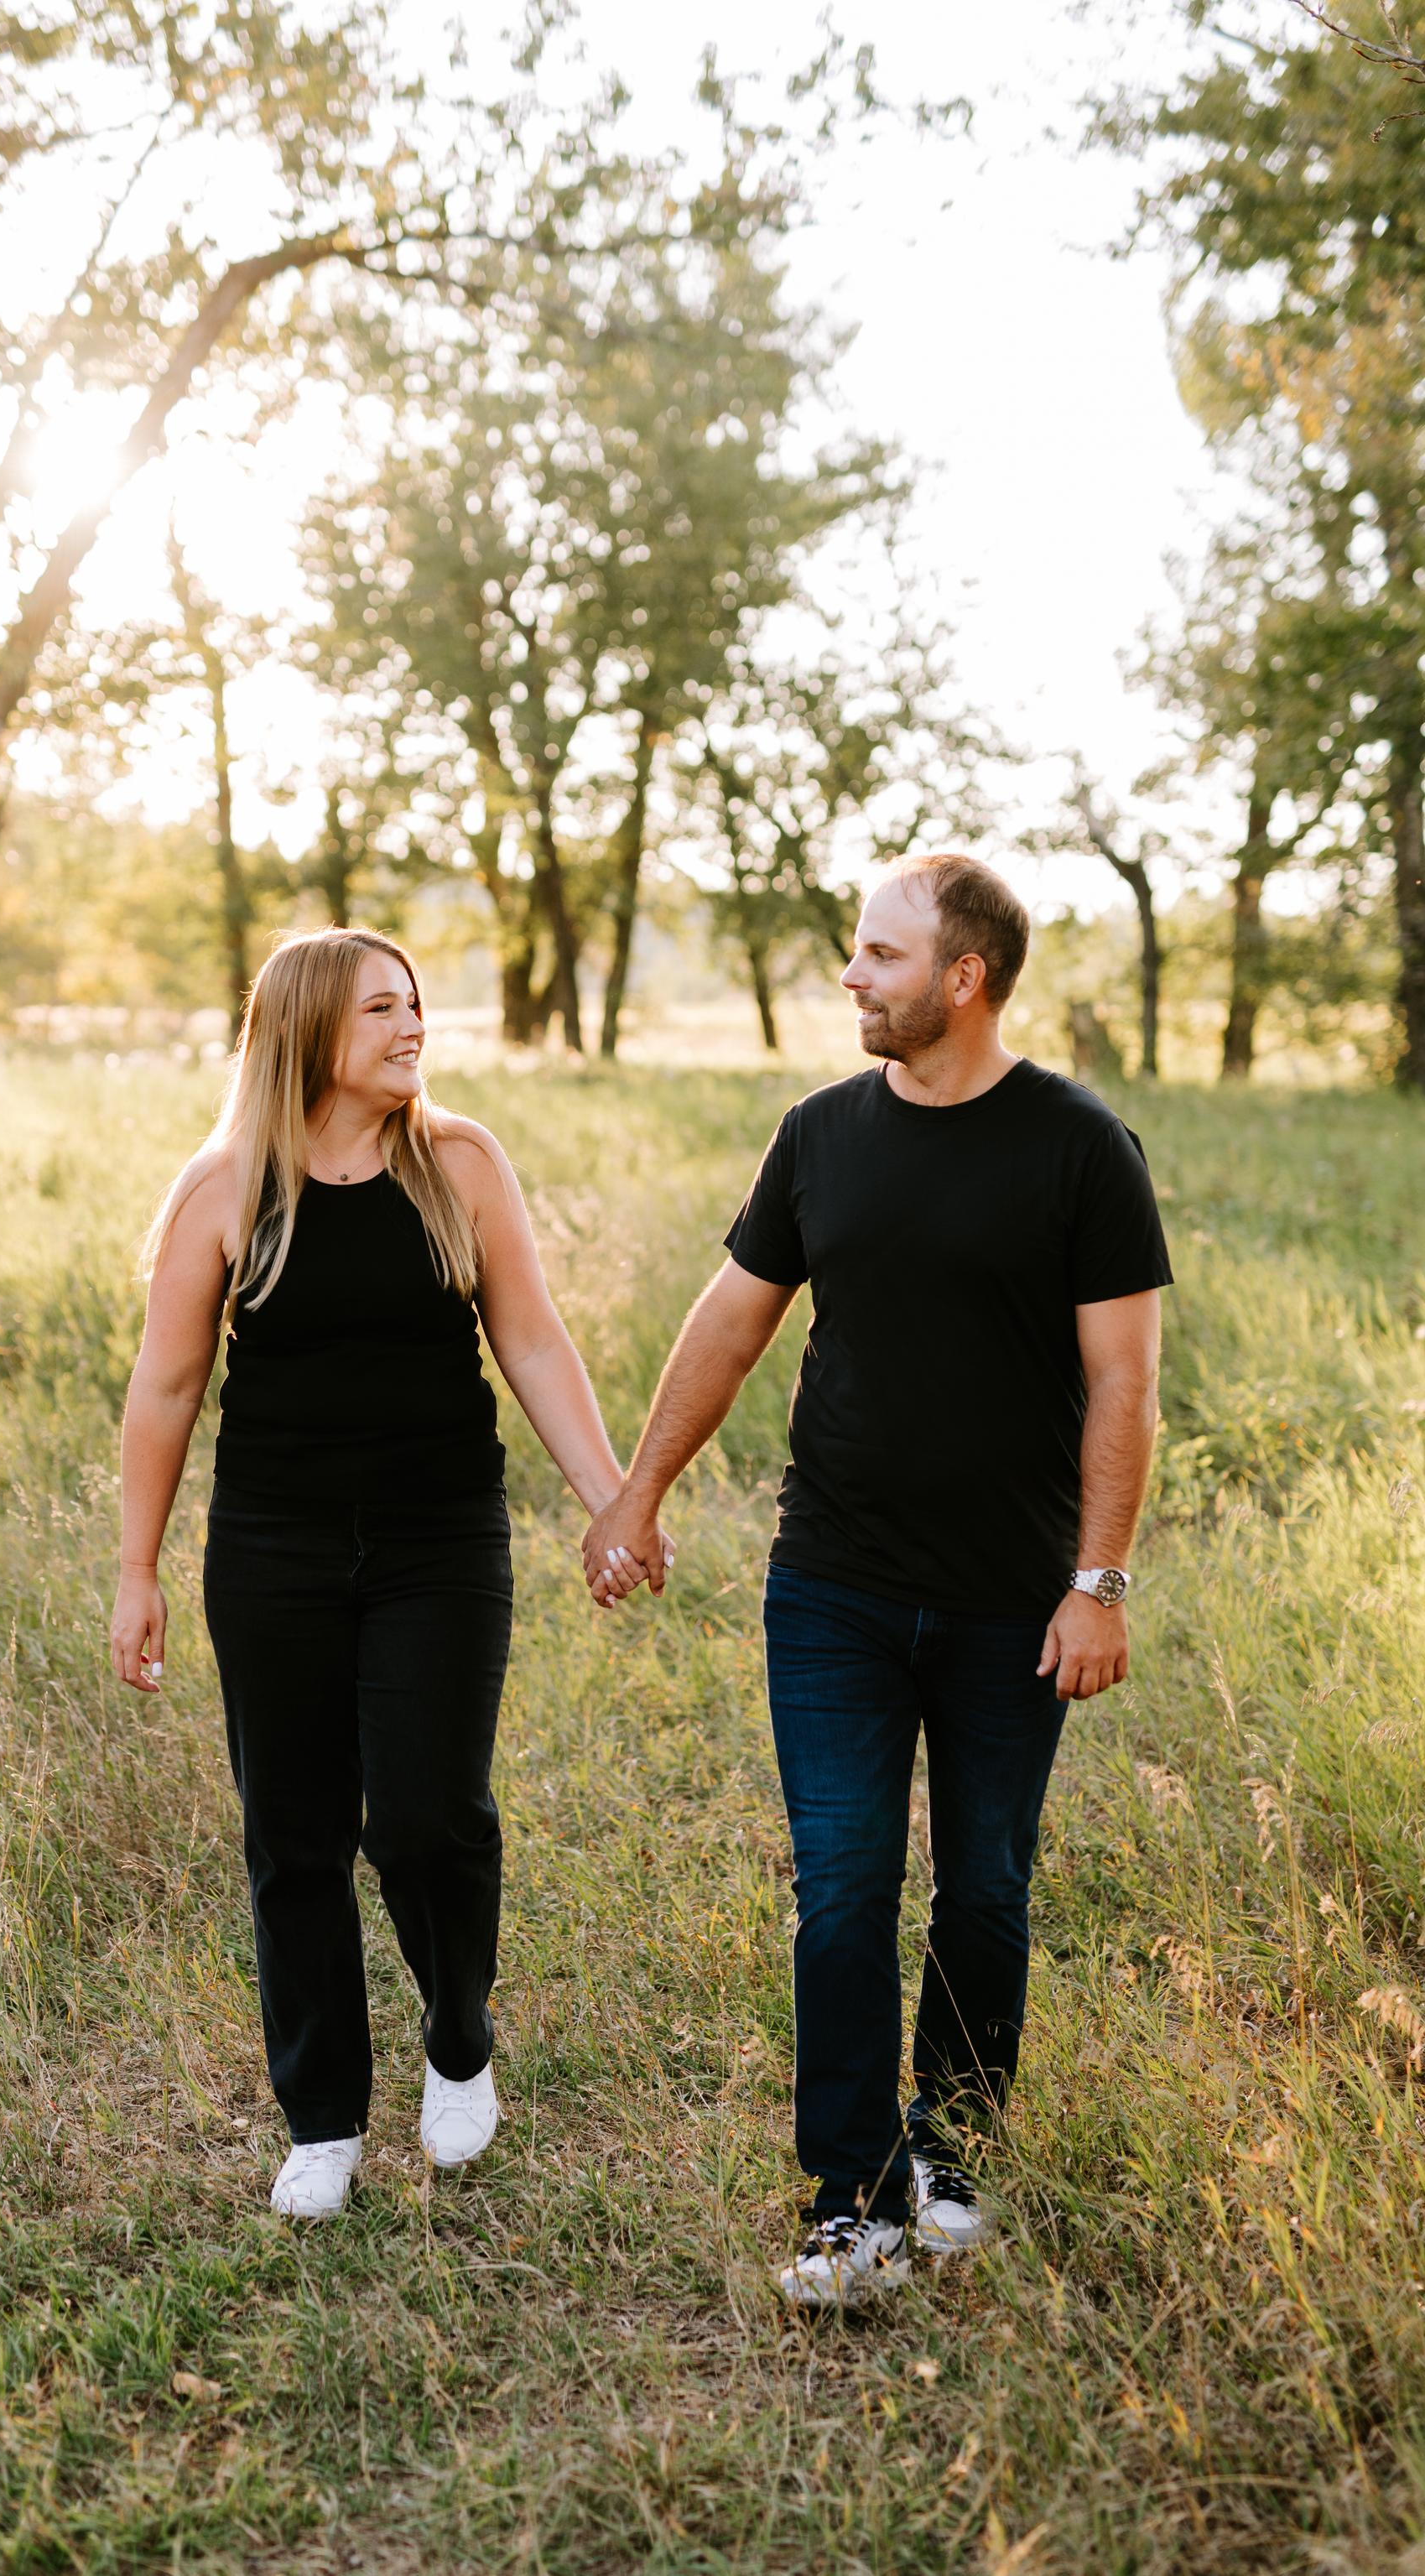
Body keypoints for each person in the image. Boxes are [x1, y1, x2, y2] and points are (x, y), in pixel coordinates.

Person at [584, 854, 1172, 2306]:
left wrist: (1096, 1580)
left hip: (1005, 1600)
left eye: (879, 956)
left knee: (985, 1884)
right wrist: (637, 1492)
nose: (851, 976)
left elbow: (1125, 1383)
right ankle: (846, 2199)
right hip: (834, 1586)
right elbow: (731, 1323)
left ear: (962, 978)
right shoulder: (819, 1136)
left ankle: (950, 2144)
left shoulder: (1081, 1148)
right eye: (855, 953)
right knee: (843, 1888)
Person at [112, 926, 668, 2220]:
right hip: (272, 1547)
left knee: (428, 1816)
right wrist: (136, 1568)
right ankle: (322, 2122)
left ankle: (457, 2039)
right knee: (291, 1836)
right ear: (310, 1031)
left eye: (415, 1005)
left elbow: (530, 1340)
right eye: (383, 1010)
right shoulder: (224, 1187)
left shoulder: (457, 1164)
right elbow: (168, 1385)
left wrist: (613, 1502)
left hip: (438, 1541)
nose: (415, 1027)